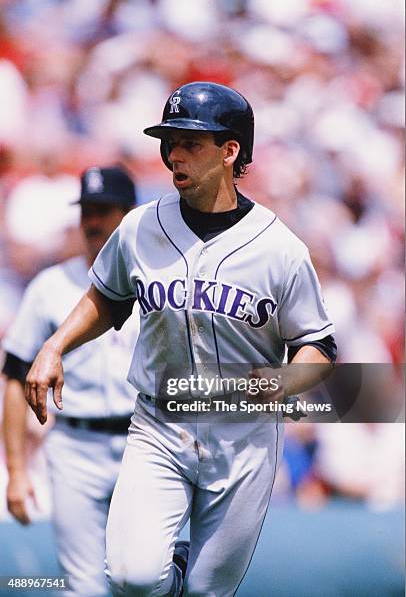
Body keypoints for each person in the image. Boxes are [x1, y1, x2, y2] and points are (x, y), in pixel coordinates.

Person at [24, 82, 337, 596]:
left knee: (208, 593)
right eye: (169, 141)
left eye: (191, 142)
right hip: (159, 423)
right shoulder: (141, 226)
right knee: (131, 575)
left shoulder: (280, 248)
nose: (174, 154)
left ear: (230, 150)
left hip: (244, 434)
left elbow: (320, 349)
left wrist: (283, 380)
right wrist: (56, 345)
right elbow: (108, 296)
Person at [2, 165, 139, 597]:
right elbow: (13, 375)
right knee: (85, 587)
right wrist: (17, 471)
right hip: (75, 444)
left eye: (104, 210)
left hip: (145, 443)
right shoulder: (50, 285)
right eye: (86, 211)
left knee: (141, 578)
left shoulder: (157, 280)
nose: (93, 221)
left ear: (129, 214)